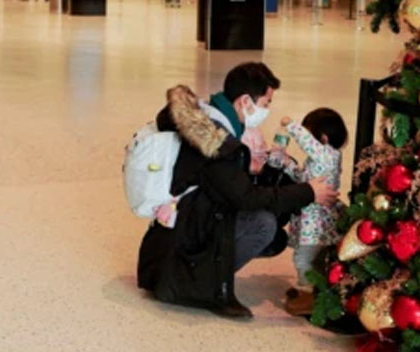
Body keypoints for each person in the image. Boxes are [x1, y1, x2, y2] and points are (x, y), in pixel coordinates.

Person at [137, 67, 337, 320]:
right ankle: (204, 286)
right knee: (263, 224)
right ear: (245, 101)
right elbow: (246, 198)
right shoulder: (216, 141)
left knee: (272, 228)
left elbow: (229, 186)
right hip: (179, 250)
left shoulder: (210, 117)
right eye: (266, 103)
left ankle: (204, 273)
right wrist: (308, 192)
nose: (267, 110)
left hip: (181, 227)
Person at [279, 108, 348, 315]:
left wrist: (292, 125)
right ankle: (310, 288)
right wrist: (287, 164)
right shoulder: (318, 162)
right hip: (310, 220)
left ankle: (307, 295)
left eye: (310, 134)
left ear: (323, 138)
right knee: (313, 259)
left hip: (316, 224)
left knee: (303, 258)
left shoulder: (328, 155)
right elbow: (303, 180)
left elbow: (308, 143)